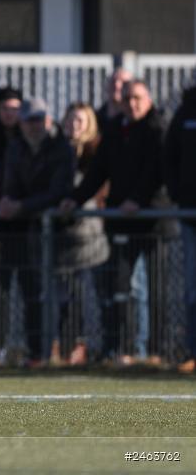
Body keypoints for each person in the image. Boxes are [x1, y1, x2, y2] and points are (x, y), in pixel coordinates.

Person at [60, 80, 165, 362]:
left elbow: (156, 171)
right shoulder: (117, 130)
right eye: (128, 98)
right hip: (121, 220)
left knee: (147, 290)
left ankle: (150, 351)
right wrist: (76, 198)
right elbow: (99, 171)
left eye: (138, 98)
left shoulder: (158, 129)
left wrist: (139, 200)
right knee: (121, 288)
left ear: (149, 99)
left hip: (153, 223)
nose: (133, 104)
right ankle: (121, 347)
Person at [0, 98, 75, 364]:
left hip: (55, 233)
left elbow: (57, 191)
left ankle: (58, 349)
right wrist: (8, 200)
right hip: (24, 232)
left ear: (49, 121)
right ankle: (36, 352)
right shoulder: (16, 148)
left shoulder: (61, 149)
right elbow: (11, 183)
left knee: (56, 295)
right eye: (29, 121)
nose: (34, 126)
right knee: (31, 292)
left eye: (39, 120)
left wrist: (21, 205)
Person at [53, 103, 109, 365]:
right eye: (71, 120)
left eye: (81, 121)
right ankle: (66, 346)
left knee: (90, 297)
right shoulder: (56, 151)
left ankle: (93, 346)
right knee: (64, 297)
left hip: (90, 239)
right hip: (61, 238)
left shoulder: (97, 152)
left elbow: (98, 188)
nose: (74, 126)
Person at [162, 85, 196, 373]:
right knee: (192, 288)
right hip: (190, 214)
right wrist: (178, 194)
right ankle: (193, 351)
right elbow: (169, 155)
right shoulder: (185, 112)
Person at [95, 66, 133, 133]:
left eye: (124, 82)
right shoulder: (95, 118)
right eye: (113, 81)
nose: (117, 85)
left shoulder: (135, 120)